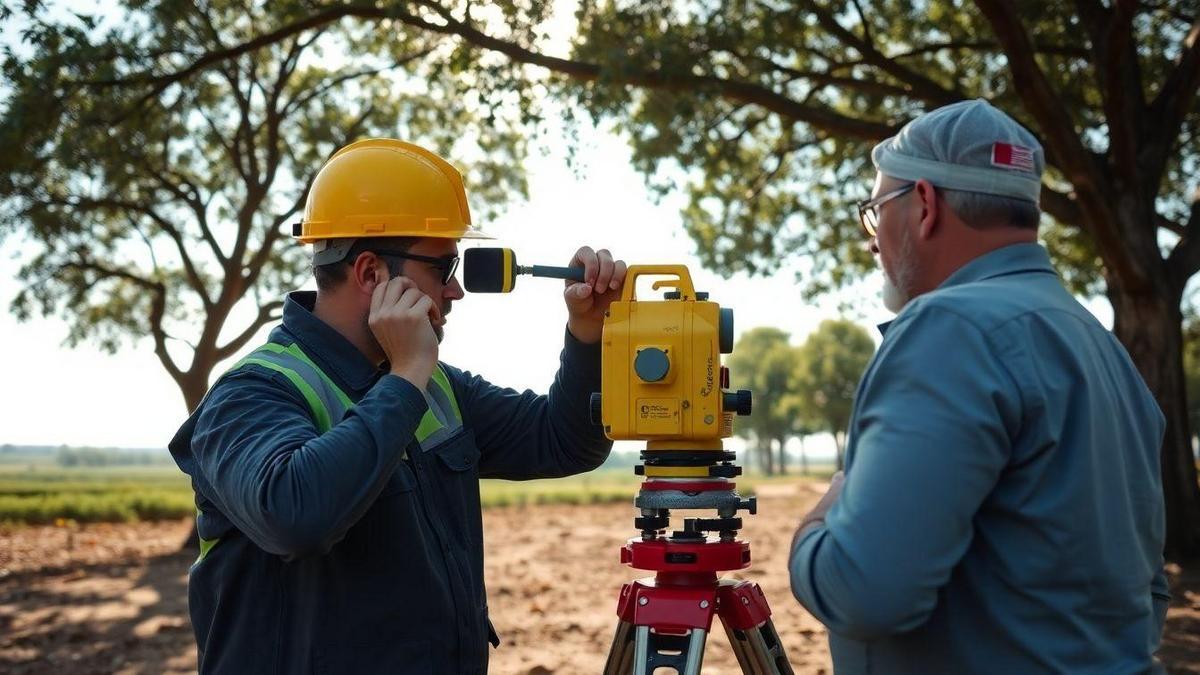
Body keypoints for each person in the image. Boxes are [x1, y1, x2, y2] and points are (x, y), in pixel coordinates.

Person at [168, 138, 627, 674]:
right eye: (442, 265)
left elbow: (565, 441)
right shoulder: (250, 395)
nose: (454, 290)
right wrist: (407, 376)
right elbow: (294, 517)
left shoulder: (435, 386)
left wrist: (588, 335)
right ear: (369, 273)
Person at [787, 99, 1169, 673]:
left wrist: (814, 527)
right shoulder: (1098, 344)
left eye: (874, 212)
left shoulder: (949, 330)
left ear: (923, 204)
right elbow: (1146, 598)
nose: (872, 241)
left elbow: (866, 593)